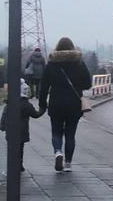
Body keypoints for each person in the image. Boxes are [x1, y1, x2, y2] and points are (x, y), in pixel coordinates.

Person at [38, 37, 92, 172]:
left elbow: (44, 86)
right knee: (70, 134)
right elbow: (87, 84)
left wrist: (42, 104)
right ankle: (68, 164)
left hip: (56, 102)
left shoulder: (51, 64)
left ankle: (57, 152)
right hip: (74, 104)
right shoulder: (79, 63)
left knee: (56, 132)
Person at [0, 80, 43, 173]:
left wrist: (2, 126)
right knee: (20, 148)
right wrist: (42, 110)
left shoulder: (10, 103)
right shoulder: (27, 105)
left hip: (10, 130)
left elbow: (4, 115)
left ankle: (11, 163)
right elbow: (35, 115)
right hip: (22, 131)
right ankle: (19, 164)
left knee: (11, 148)